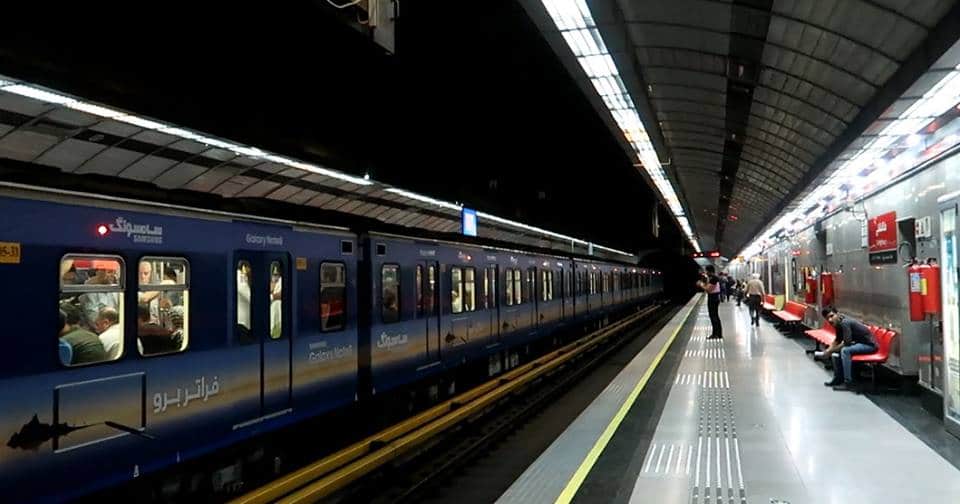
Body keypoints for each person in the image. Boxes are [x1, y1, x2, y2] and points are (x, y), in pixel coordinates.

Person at [821, 307, 878, 391]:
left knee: (845, 351)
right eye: (827, 318)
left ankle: (848, 383)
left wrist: (829, 351)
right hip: (859, 343)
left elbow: (846, 343)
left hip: (869, 345)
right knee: (837, 353)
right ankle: (838, 379)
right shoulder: (838, 323)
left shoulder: (845, 323)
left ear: (837, 314)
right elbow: (837, 340)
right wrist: (828, 350)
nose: (830, 319)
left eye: (831, 316)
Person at [696, 265, 722, 339]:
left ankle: (716, 334)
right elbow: (708, 287)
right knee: (714, 316)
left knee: (714, 316)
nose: (706, 272)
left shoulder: (714, 278)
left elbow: (708, 289)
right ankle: (717, 334)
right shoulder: (712, 278)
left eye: (706, 270)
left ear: (710, 271)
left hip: (713, 298)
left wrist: (701, 285)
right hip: (713, 298)